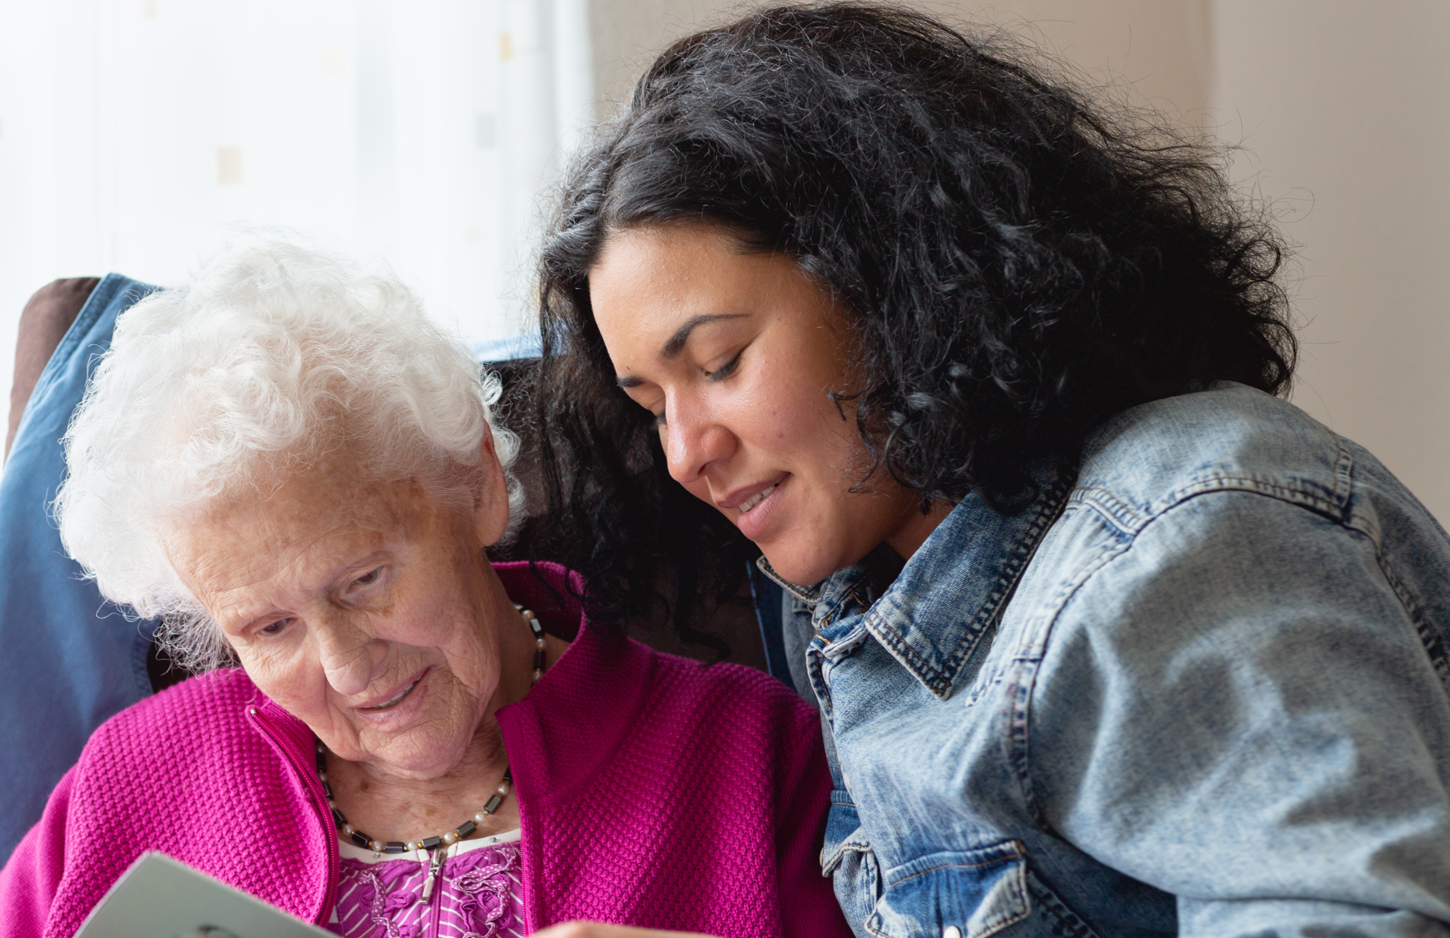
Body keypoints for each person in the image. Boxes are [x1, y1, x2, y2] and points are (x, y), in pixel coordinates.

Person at [528, 4, 1450, 937]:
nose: (687, 453)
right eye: (651, 408)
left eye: (720, 363)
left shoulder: (1175, 546)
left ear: (887, 281)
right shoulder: (863, 591)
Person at [0, 234, 851, 938]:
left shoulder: (747, 756)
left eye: (365, 579)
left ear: (476, 483)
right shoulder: (137, 778)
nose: (343, 667)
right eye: (267, 628)